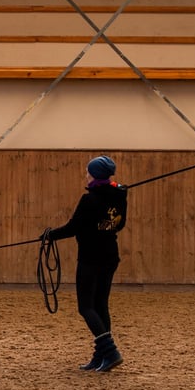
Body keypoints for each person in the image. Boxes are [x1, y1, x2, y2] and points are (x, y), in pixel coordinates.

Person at [43, 155, 128, 372]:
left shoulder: (89, 199)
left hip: (91, 258)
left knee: (86, 307)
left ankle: (110, 351)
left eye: (88, 171)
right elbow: (119, 225)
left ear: (94, 174)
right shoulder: (119, 194)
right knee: (100, 305)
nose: (86, 174)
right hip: (110, 255)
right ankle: (101, 356)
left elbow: (73, 228)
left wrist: (50, 235)